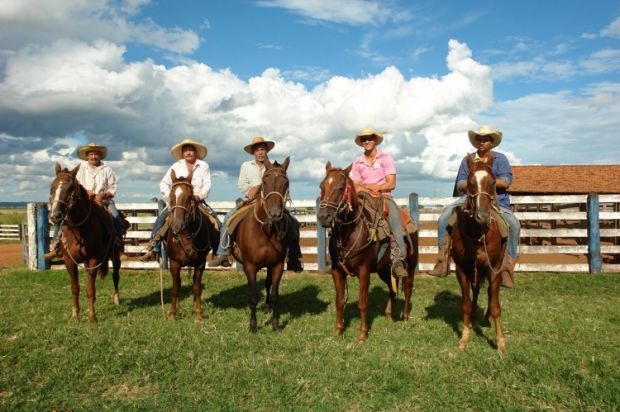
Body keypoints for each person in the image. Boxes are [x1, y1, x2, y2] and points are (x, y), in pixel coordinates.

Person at [428, 125, 520, 287]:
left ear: (492, 142)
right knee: (443, 219)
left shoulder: (501, 159)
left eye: (486, 139)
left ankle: (507, 268)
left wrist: (486, 180)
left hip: (495, 200)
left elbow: (506, 182)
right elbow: (460, 184)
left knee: (513, 225)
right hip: (469, 198)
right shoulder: (468, 160)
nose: (482, 142)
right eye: (479, 139)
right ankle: (442, 261)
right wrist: (474, 182)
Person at [208, 136, 304, 272]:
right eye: (257, 150)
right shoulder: (246, 166)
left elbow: (278, 182)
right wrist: (249, 190)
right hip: (250, 200)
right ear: (253, 152)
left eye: (262, 149)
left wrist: (260, 187)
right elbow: (241, 184)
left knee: (294, 222)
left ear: (266, 152)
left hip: (270, 202)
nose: (260, 152)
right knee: (228, 218)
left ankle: (294, 256)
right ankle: (223, 253)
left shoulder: (273, 167)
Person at [45, 142, 126, 259]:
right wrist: (89, 194)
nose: (94, 156)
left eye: (96, 154)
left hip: (104, 201)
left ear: (100, 156)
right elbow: (76, 185)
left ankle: (118, 248)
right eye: (91, 154)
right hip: (84, 200)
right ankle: (56, 246)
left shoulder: (107, 169)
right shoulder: (81, 168)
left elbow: (113, 188)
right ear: (87, 156)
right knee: (64, 218)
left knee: (116, 218)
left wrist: (103, 195)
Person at [140, 138, 217, 261]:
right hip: (178, 202)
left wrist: (199, 196)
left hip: (197, 200)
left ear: (195, 152)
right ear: (182, 153)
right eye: (186, 150)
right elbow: (164, 184)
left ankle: (219, 251)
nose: (188, 153)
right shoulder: (176, 166)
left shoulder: (203, 166)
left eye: (191, 150)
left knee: (214, 220)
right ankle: (153, 247)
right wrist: (170, 199)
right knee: (161, 220)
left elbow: (207, 184)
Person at [349, 128, 408, 278]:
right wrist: (366, 189)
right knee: (346, 215)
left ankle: (398, 259)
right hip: (362, 198)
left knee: (394, 218)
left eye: (369, 138)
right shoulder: (357, 162)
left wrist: (372, 187)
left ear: (375, 140)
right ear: (361, 143)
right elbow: (355, 185)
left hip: (384, 198)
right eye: (364, 139)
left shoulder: (385, 158)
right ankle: (341, 255)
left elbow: (391, 183)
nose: (367, 141)